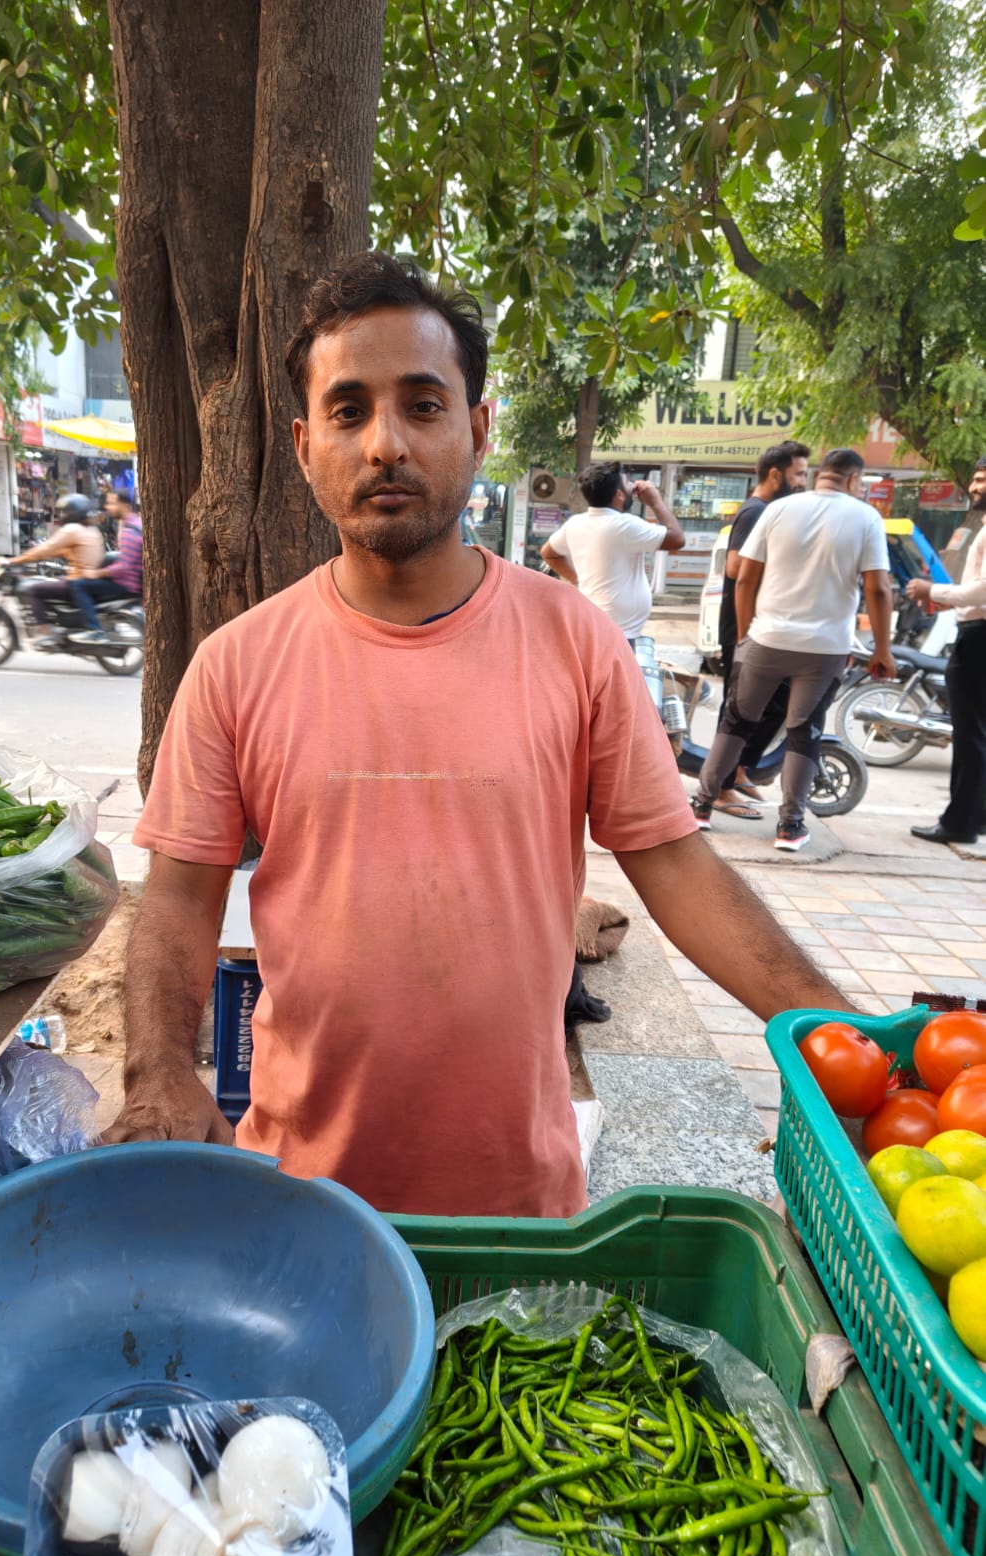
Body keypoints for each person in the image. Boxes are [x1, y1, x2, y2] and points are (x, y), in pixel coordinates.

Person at [105, 249, 848, 1219]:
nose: (384, 444)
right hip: (298, 1204)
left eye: (421, 404)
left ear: (479, 425)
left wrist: (840, 1034)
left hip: (520, 1210)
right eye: (347, 410)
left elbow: (677, 869)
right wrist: (157, 1072)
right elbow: (176, 902)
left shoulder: (572, 639)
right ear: (302, 444)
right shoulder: (237, 663)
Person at [692, 448, 895, 853]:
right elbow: (877, 587)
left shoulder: (779, 510)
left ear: (820, 475)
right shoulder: (866, 518)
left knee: (736, 721)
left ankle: (700, 806)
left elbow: (745, 578)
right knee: (804, 731)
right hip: (825, 649)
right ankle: (790, 826)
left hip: (767, 639)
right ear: (854, 480)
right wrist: (883, 650)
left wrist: (747, 633)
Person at [712, 442, 811, 820]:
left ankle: (737, 771)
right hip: (745, 627)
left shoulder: (767, 511)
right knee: (741, 709)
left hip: (760, 627)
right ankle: (721, 788)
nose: (803, 482)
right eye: (799, 474)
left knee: (769, 705)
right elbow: (737, 568)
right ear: (775, 474)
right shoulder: (756, 512)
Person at [905, 458, 986, 845]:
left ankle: (959, 823)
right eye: (974, 479)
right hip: (974, 632)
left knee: (969, 735)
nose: (974, 487)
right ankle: (975, 817)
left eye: (982, 480)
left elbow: (980, 592)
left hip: (979, 637)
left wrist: (930, 590)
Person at [538, 462, 685, 642]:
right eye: (627, 483)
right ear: (619, 495)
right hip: (619, 634)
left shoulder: (576, 523)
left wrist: (578, 580)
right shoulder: (625, 525)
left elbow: (548, 553)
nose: (633, 486)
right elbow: (677, 539)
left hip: (596, 624)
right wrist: (655, 501)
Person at [5, 493, 106, 649]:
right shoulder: (92, 530)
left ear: (73, 512)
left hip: (78, 579)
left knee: (34, 590)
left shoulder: (72, 529)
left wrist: (16, 560)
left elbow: (45, 549)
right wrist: (45, 555)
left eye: (64, 512)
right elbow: (65, 551)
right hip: (87, 579)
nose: (62, 515)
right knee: (51, 582)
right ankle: (58, 624)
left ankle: (47, 633)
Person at [69, 489, 143, 643]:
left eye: (111, 503)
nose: (107, 507)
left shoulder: (130, 531)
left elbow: (124, 566)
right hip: (128, 581)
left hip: (125, 584)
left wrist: (96, 574)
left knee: (79, 586)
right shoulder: (134, 524)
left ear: (124, 505)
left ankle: (95, 630)